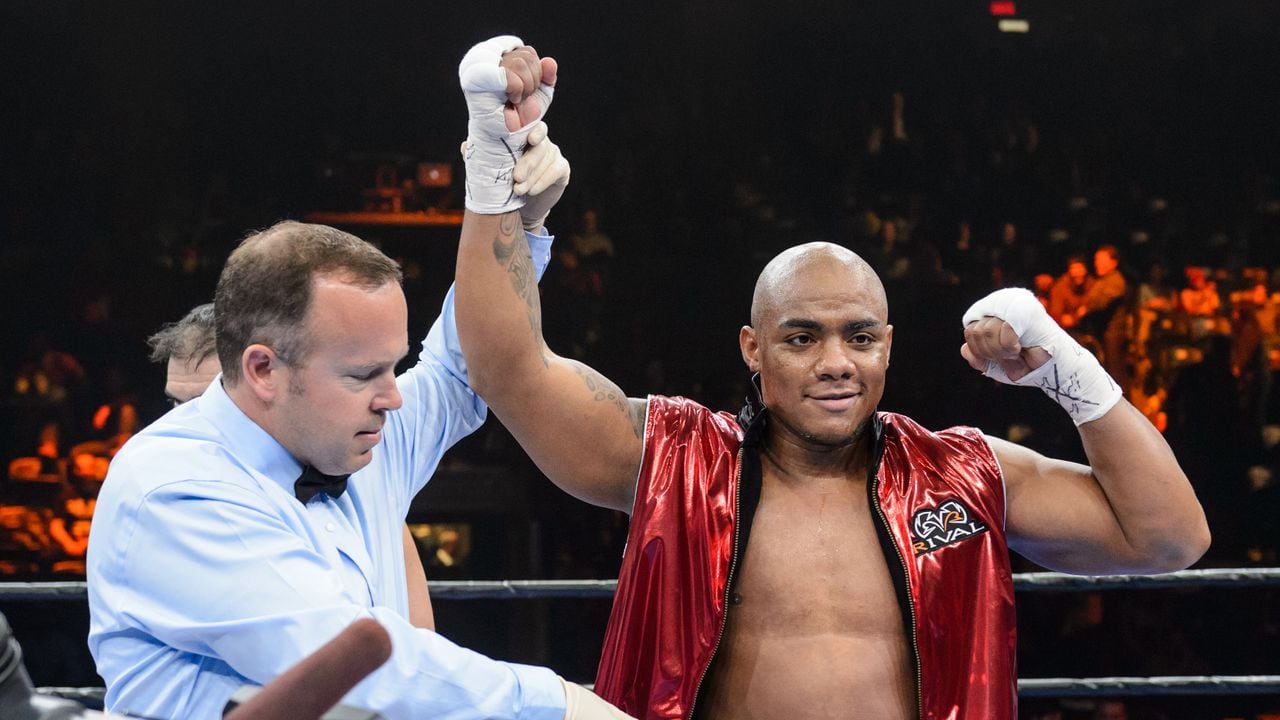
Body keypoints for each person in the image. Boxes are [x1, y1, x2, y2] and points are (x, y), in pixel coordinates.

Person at [452, 38, 1210, 719]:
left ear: (888, 346)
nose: (836, 362)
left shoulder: (961, 475)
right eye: (803, 337)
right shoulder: (677, 462)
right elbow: (507, 369)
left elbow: (1168, 538)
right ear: (754, 349)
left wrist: (1062, 365)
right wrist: (492, 165)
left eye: (859, 337)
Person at [86, 83, 632, 720]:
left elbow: (463, 368)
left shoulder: (348, 439)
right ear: (263, 369)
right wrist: (559, 702)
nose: (394, 397)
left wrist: (509, 212)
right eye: (363, 373)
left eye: (393, 366)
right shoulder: (173, 488)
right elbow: (355, 669)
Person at [146, 302, 437, 630]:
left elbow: (418, 636)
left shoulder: (367, 489)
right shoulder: (172, 507)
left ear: (263, 377)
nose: (193, 421)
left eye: (209, 401)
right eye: (177, 404)